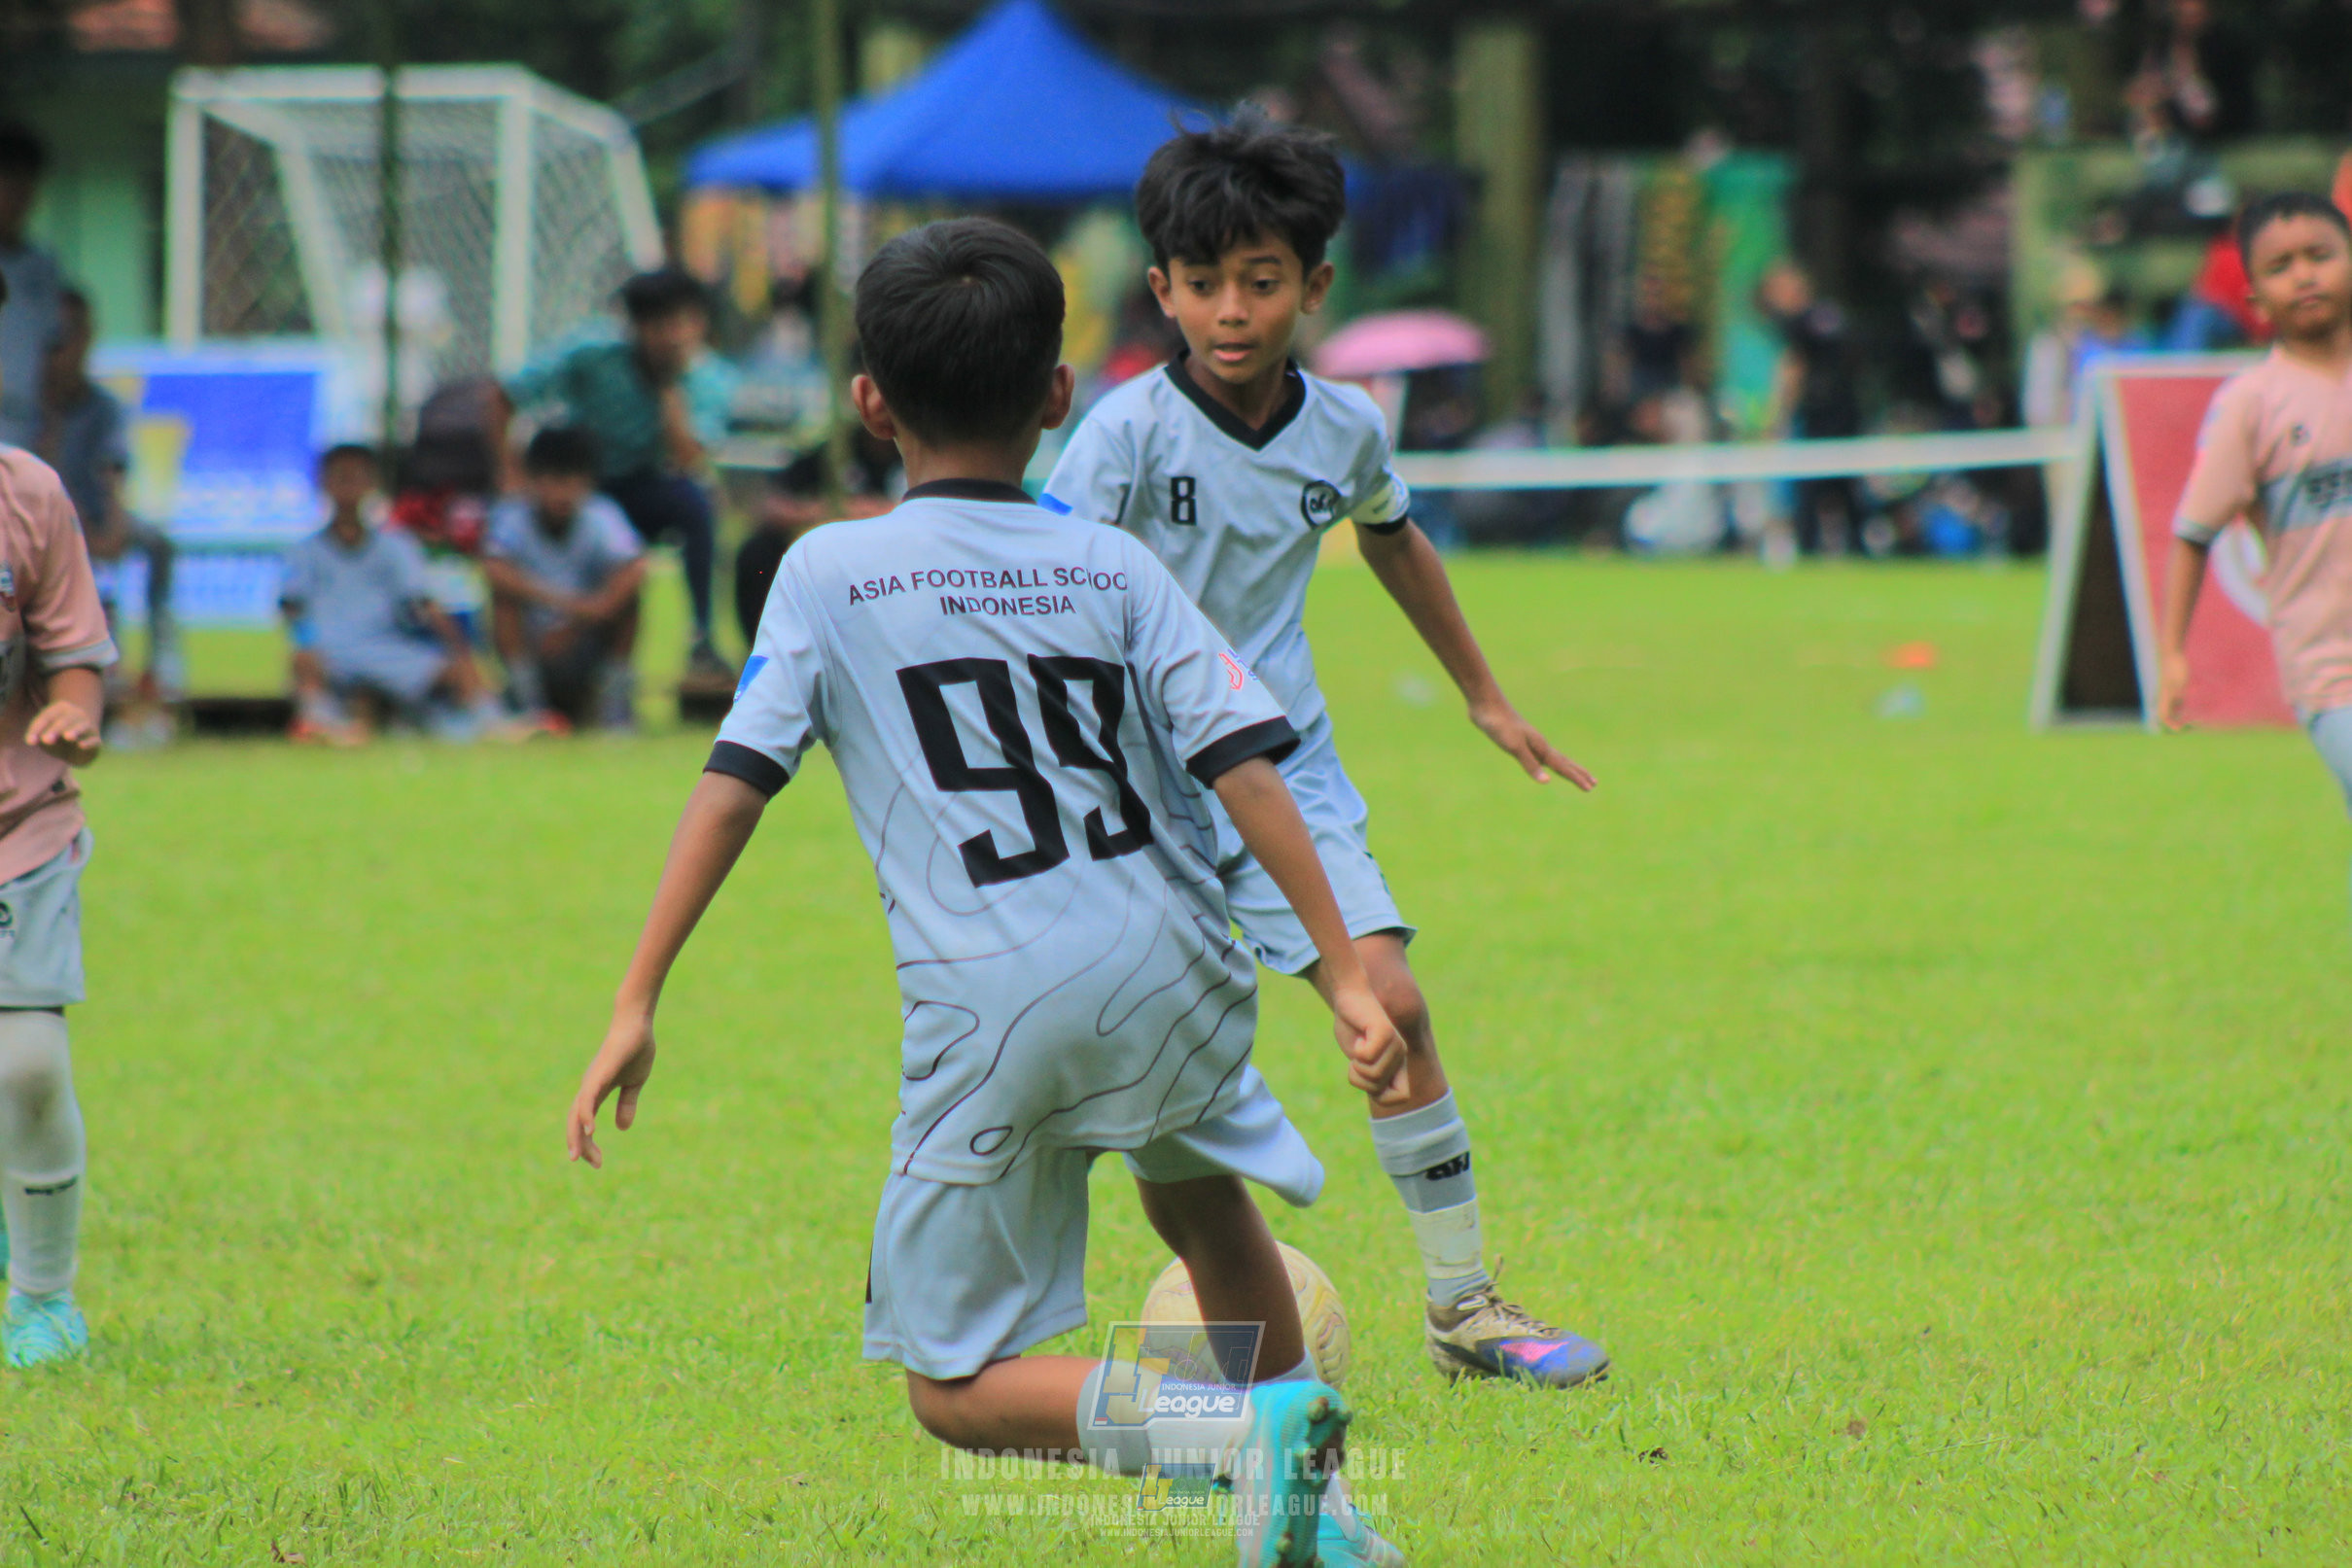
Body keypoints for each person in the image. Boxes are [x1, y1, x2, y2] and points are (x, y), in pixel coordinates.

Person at [566, 218, 1410, 1568]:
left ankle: (1231, 1439)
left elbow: (734, 780)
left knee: (952, 1387)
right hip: (1176, 956)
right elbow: (1250, 763)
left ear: (867, 402)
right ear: (1058, 397)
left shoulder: (829, 569)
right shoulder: (1114, 562)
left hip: (994, 996)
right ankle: (1316, 1509)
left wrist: (635, 996)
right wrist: (1344, 967)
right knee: (1196, 1198)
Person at [1042, 119, 1610, 1390]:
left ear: (1314, 286)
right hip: (1126, 785)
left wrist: (1483, 695)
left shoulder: (1343, 428)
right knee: (1074, 1047)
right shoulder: (1124, 436)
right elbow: (1045, 576)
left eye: (1259, 280)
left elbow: (1394, 536)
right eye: (1201, 284)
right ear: (1161, 290)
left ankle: (1464, 1308)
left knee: (1393, 1003)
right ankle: (977, 1294)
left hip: (1278, 769)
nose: (1228, 310)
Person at [2159, 192, 2352, 911]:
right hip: (2331, 672)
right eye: (2280, 266)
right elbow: (2189, 534)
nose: (2302, 275)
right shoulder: (2252, 403)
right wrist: (2173, 655)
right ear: (2252, 295)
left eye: (2319, 256)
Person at [0, 264, 118, 1366]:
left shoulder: (27, 493)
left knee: (29, 1064)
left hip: (17, 832)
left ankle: (42, 1299)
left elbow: (75, 660)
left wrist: (72, 719)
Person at [504, 269, 737, 684]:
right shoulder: (590, 352)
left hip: (640, 485)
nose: (675, 337)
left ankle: (700, 636)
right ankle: (524, 679)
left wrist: (667, 386)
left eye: (685, 322)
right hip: (578, 488)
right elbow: (505, 393)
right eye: (662, 325)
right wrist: (508, 475)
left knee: (696, 504)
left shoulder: (710, 377)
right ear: (635, 327)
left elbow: (688, 459)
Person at [279, 444, 500, 743]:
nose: (348, 486)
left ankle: (492, 724)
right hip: (332, 652)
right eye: (340, 477)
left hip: (389, 648)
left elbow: (423, 602)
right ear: (323, 483)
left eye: (357, 477)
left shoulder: (396, 545)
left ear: (373, 484)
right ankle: (321, 722)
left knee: (460, 669)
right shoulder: (305, 551)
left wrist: (457, 648)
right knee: (303, 661)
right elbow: (293, 607)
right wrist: (305, 643)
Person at [37, 289, 181, 697]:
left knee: (157, 545)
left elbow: (113, 474)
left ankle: (162, 670)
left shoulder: (103, 407)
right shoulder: (24, 406)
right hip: (33, 526)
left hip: (96, 521)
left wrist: (110, 533)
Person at [482, 426, 646, 732]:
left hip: (584, 643)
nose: (561, 495)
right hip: (533, 643)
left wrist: (576, 624)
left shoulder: (602, 515)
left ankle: (614, 706)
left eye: (571, 482)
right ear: (533, 482)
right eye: (552, 482)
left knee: (629, 604)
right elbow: (494, 570)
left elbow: (635, 568)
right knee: (503, 602)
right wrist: (570, 605)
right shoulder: (513, 516)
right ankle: (528, 705)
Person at [0, 124, 62, 451]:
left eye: (26, 185)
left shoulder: (42, 266)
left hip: (26, 423)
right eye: (9, 185)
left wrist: (52, 427)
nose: (18, 198)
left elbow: (52, 352)